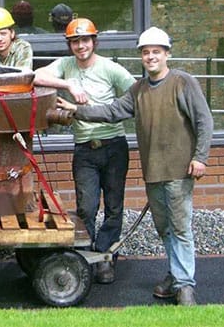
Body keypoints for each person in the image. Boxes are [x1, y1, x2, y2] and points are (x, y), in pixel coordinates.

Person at [58, 26, 213, 306]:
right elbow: (112, 111)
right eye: (145, 52)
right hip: (153, 170)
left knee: (180, 228)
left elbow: (204, 120)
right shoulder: (138, 90)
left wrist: (200, 157)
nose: (150, 57)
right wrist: (76, 110)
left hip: (180, 170)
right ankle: (175, 276)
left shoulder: (183, 82)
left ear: (167, 54)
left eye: (156, 51)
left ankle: (186, 285)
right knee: (164, 228)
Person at [34, 18, 136, 284]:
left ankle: (105, 256)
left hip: (114, 146)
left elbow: (136, 94)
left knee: (114, 207)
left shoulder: (111, 68)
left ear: (94, 41)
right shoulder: (66, 66)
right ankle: (83, 258)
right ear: (70, 45)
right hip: (84, 149)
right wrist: (68, 86)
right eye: (75, 41)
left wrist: (109, 112)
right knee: (86, 207)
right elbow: (36, 75)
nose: (81, 46)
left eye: (85, 40)